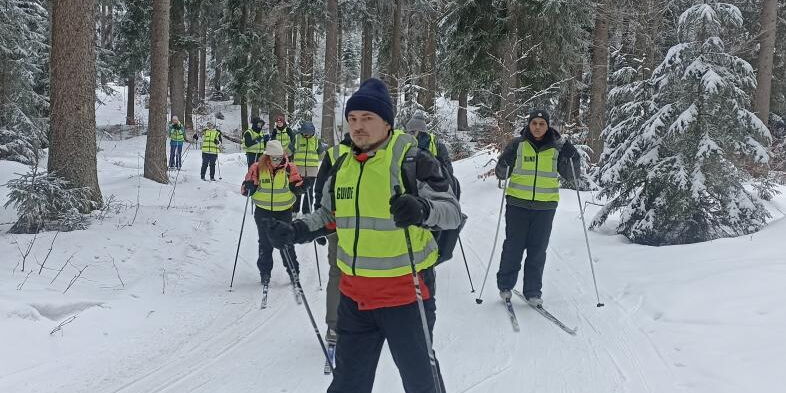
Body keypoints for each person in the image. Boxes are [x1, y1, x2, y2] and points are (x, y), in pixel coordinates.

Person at [266, 78, 461, 393]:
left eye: (367, 118)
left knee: (421, 383)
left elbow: (451, 211)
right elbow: (329, 216)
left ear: (386, 122)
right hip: (355, 299)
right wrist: (296, 229)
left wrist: (422, 209)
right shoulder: (343, 164)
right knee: (347, 385)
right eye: (353, 118)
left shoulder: (412, 160)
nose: (358, 126)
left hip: (406, 297)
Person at [494, 108, 580, 306]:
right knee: (513, 247)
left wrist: (573, 157)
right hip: (517, 204)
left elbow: (571, 175)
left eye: (542, 124)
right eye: (534, 123)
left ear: (548, 126)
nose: (538, 127)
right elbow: (501, 174)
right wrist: (504, 160)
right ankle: (505, 286)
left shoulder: (557, 147)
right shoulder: (518, 145)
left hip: (545, 207)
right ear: (529, 124)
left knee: (537, 250)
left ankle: (533, 292)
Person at [241, 140, 304, 285]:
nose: (277, 161)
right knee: (265, 243)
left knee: (286, 242)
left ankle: (293, 272)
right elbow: (244, 190)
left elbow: (297, 183)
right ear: (268, 156)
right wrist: (248, 187)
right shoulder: (257, 168)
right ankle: (265, 273)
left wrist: (300, 186)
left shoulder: (290, 168)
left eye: (280, 157)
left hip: (283, 211)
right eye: (274, 158)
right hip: (263, 212)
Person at [312, 132, 352, 347]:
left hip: (335, 223)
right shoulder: (376, 149)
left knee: (337, 273)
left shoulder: (333, 152)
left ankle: (335, 325)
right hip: (355, 226)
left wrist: (320, 224)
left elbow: (320, 188)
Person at [405, 111, 454, 176]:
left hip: (433, 183)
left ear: (421, 131)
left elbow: (448, 170)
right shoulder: (406, 145)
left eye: (413, 132)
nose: (410, 135)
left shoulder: (437, 145)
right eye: (408, 132)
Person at [292, 121, 325, 215]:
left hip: (312, 171)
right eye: (305, 133)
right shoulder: (297, 138)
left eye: (309, 133)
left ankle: (306, 211)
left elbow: (322, 154)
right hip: (298, 170)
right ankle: (294, 210)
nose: (306, 135)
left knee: (309, 192)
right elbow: (289, 150)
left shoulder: (316, 140)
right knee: (297, 190)